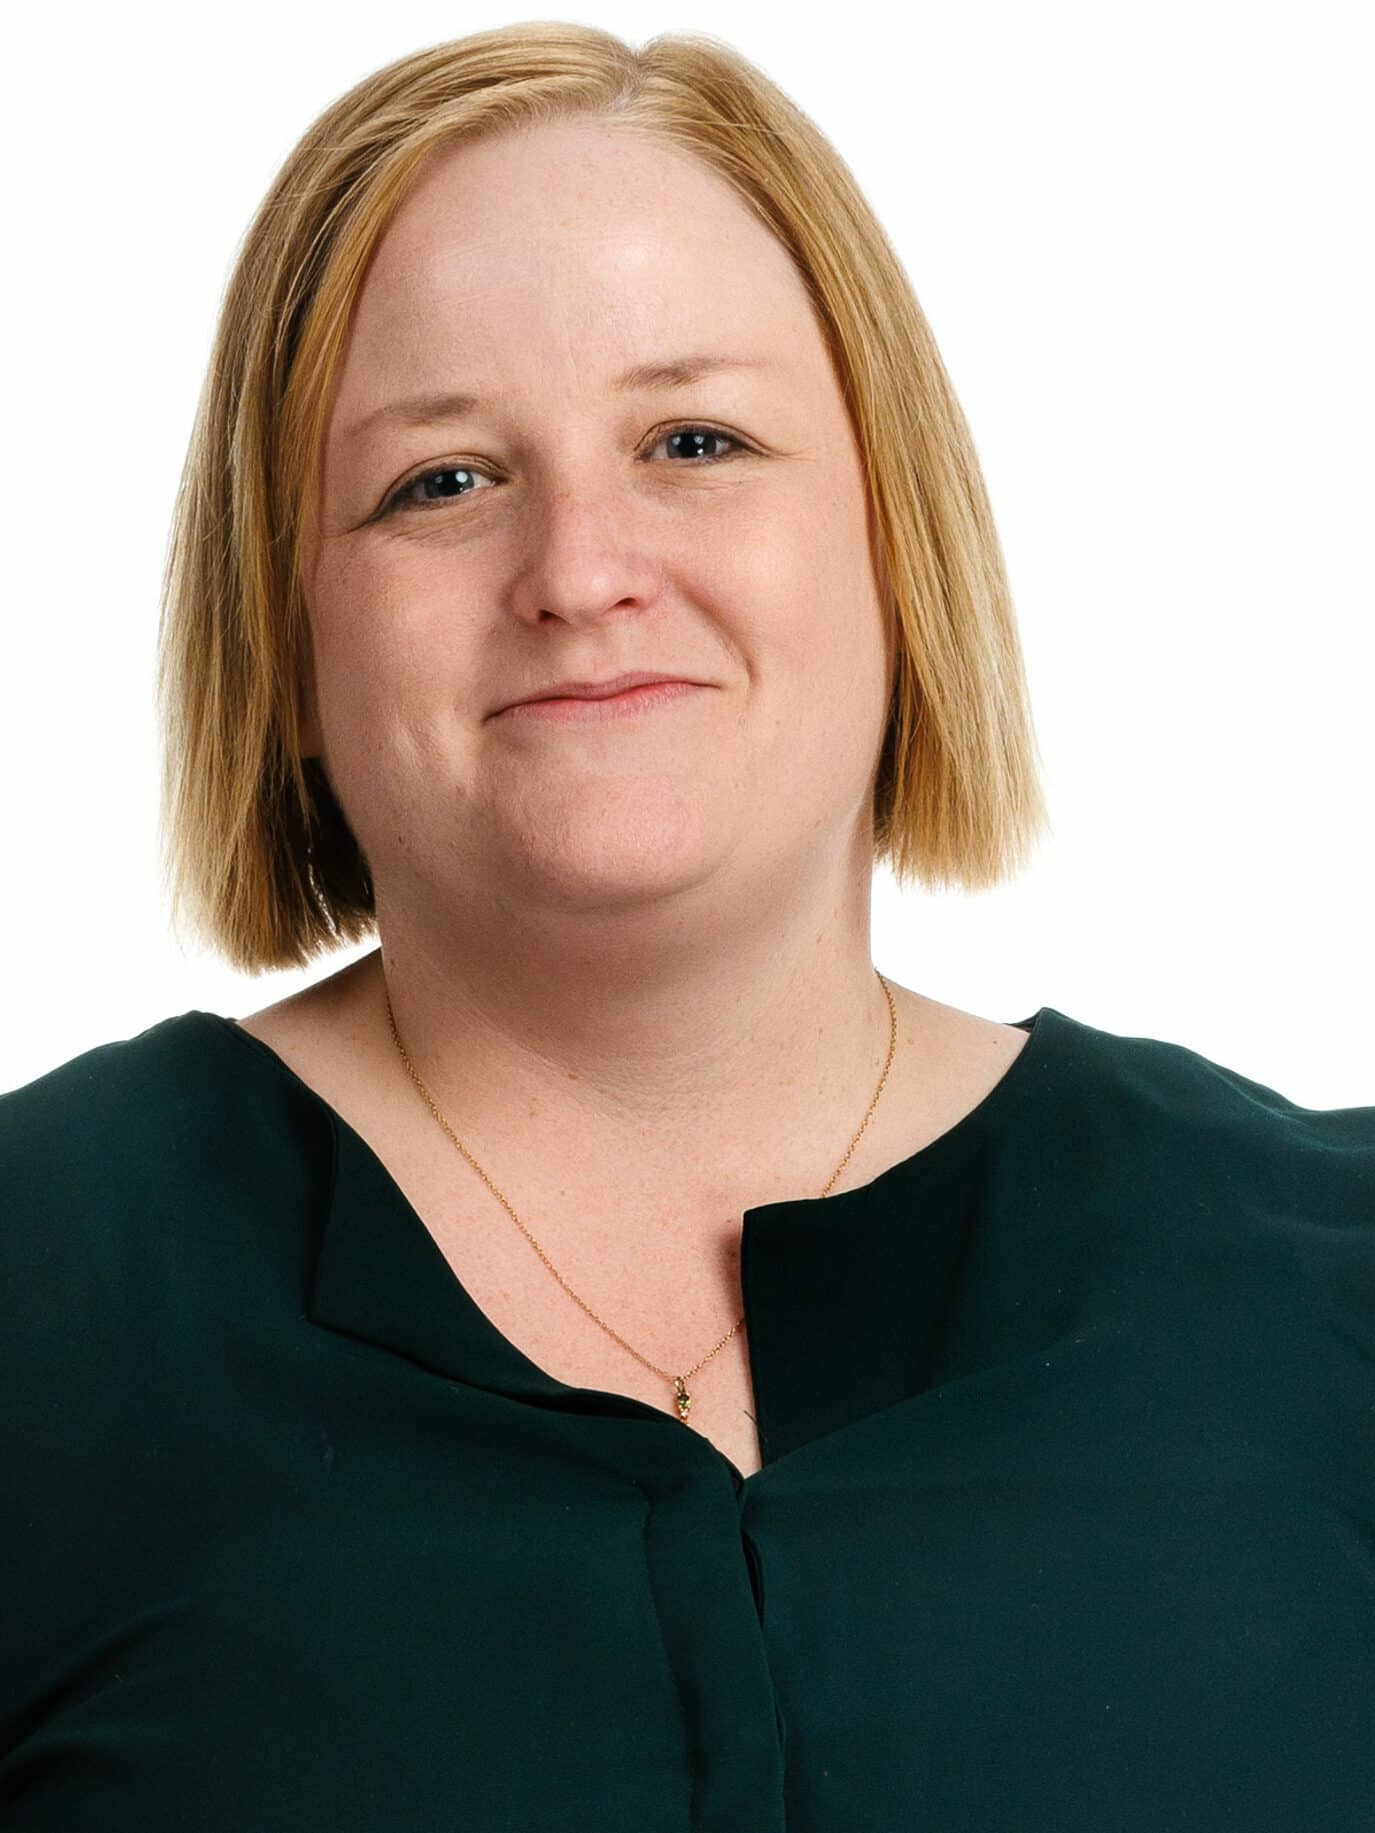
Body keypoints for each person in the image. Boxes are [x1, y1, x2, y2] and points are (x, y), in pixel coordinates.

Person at [1, 22, 1371, 1832]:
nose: (581, 567)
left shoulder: (1326, 1291)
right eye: (443, 479)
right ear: (293, 644)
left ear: (898, 550)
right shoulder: (46, 1297)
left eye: (696, 440)